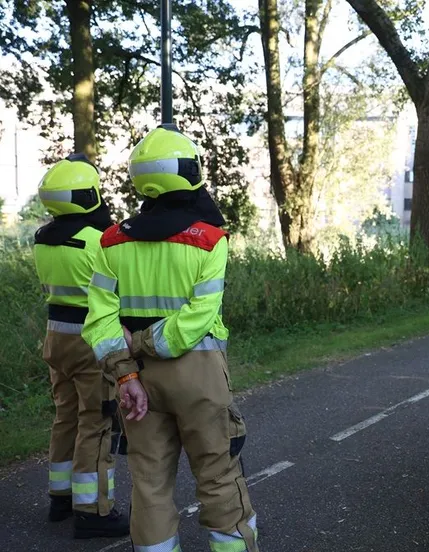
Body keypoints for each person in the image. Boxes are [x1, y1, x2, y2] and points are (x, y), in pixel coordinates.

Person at [82, 124, 259, 552]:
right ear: (189, 173)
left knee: (149, 482)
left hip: (136, 381)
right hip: (197, 376)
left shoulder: (110, 241)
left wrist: (126, 373)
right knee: (218, 475)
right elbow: (199, 317)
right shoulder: (210, 241)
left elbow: (99, 323)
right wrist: (144, 343)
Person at [33, 153, 130, 538]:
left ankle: (61, 498)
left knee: (66, 417)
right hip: (89, 340)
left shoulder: (43, 238)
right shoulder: (98, 240)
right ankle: (93, 510)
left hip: (55, 338)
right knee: (97, 422)